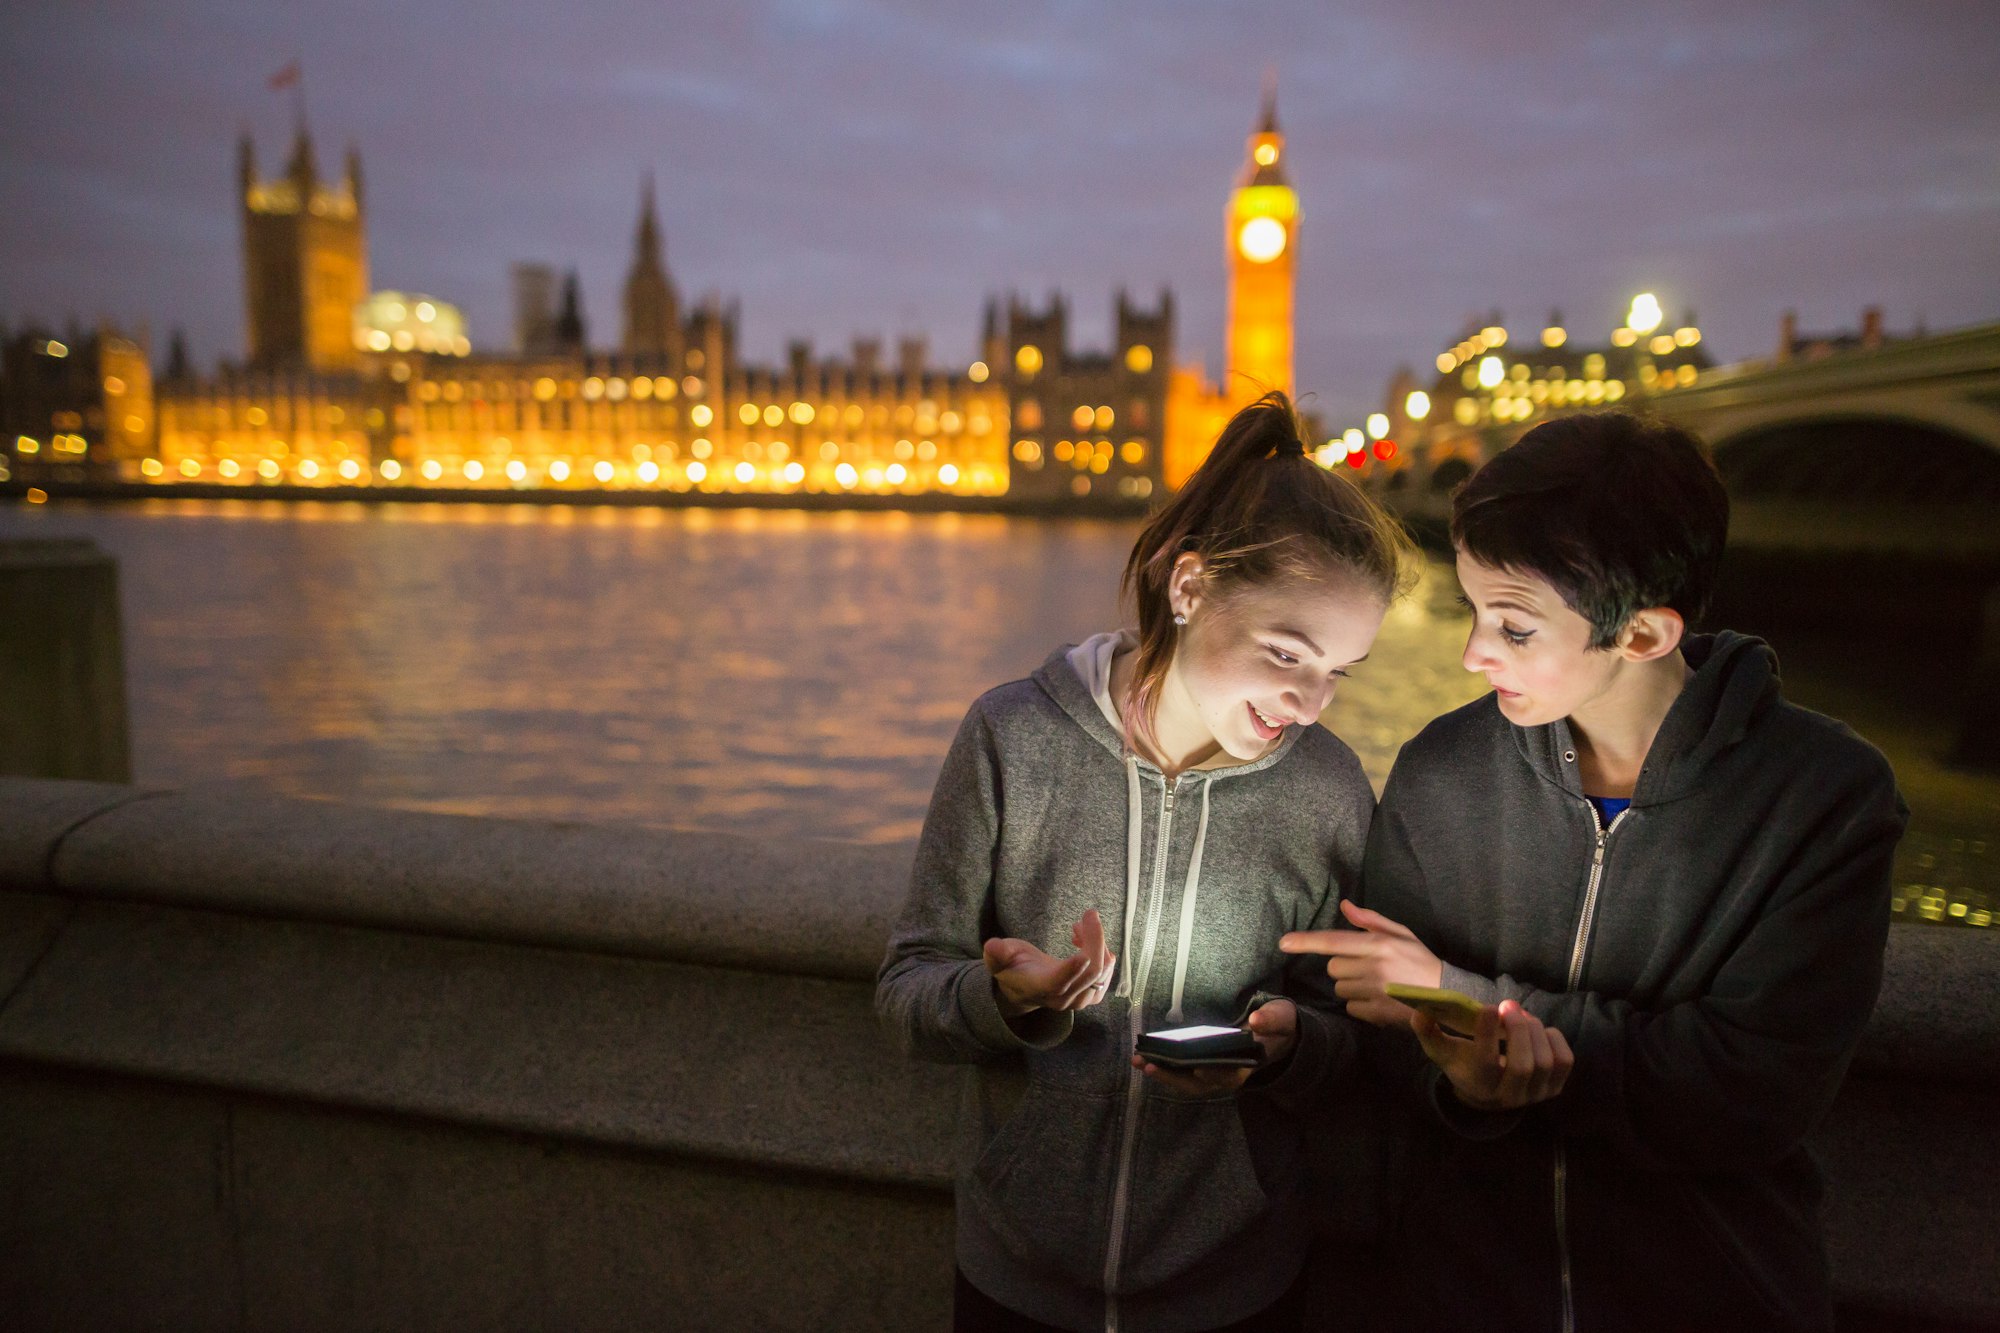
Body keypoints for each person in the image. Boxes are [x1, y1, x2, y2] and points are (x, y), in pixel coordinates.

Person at [878, 392, 1498, 1333]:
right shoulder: (1012, 737)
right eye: (1287, 652)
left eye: (1340, 670)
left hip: (1236, 1284)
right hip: (1016, 1275)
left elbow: (1352, 1036)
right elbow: (907, 991)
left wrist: (1288, 1048)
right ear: (1189, 587)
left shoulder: (1327, 789)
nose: (1312, 700)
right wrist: (1005, 1001)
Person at [1284, 412, 1907, 1331]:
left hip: (1714, 1295)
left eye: (1515, 627)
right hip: (1463, 1293)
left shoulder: (1825, 799)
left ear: (1646, 634)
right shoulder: (1442, 770)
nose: (1473, 654)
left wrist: (1480, 1002)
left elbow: (1752, 1087)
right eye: (1473, 609)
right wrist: (1464, 1081)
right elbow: (1382, 1034)